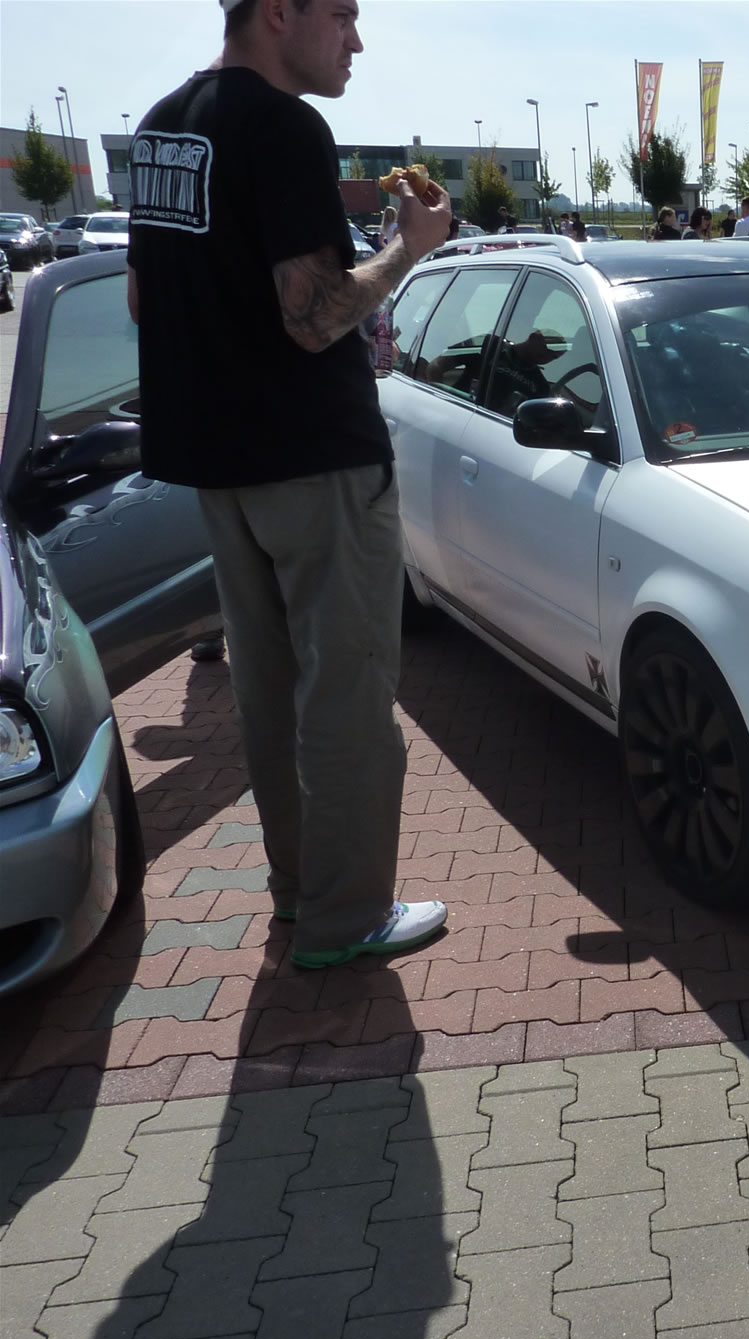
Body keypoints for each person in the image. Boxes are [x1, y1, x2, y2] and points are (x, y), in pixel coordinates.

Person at [127, 0, 452, 969]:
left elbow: (142, 297)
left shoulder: (162, 125)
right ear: (279, 13)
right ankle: (348, 917)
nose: (356, 40)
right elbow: (313, 318)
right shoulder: (285, 126)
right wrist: (408, 249)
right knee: (346, 698)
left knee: (269, 698)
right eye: (342, 16)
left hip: (217, 465)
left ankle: (299, 894)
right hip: (315, 461)